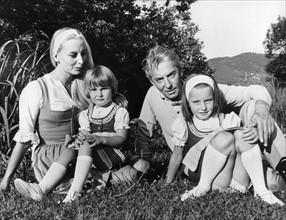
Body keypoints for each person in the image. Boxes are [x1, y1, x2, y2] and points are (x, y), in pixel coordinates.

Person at [135, 45, 286, 191]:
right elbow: (143, 133)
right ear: (152, 81)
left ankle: (282, 165)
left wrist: (261, 110)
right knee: (271, 184)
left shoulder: (203, 90)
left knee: (254, 106)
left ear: (180, 71)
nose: (167, 84)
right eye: (159, 80)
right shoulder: (152, 95)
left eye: (171, 75)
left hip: (229, 152)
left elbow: (255, 90)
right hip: (196, 163)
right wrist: (144, 166)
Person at [14, 65, 135, 202]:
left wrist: (101, 139)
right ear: (88, 92)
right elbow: (85, 134)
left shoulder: (119, 112)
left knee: (86, 144)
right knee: (70, 148)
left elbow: (121, 138)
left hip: (111, 154)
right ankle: (41, 188)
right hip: (93, 153)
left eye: (104, 89)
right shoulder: (86, 114)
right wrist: (78, 140)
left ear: (112, 89)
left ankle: (74, 192)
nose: (99, 94)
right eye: (94, 90)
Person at [0, 27, 94, 195]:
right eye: (73, 55)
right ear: (56, 55)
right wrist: (6, 179)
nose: (81, 61)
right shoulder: (37, 88)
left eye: (84, 54)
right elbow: (24, 138)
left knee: (132, 171)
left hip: (81, 152)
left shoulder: (83, 85)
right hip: (52, 159)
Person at [167, 74, 283, 205]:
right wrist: (167, 183)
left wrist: (253, 133)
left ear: (215, 99)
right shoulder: (184, 124)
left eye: (208, 100)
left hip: (237, 180)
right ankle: (202, 188)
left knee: (242, 134)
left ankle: (261, 191)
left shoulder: (227, 119)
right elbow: (177, 156)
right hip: (212, 180)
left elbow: (243, 144)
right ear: (187, 102)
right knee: (224, 137)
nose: (203, 107)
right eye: (196, 102)